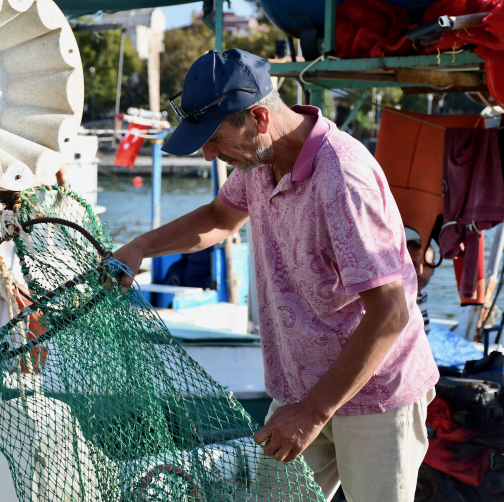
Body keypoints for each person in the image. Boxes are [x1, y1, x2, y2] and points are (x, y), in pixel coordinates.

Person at [113, 49, 439, 502]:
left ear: (260, 117)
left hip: (375, 392)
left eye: (213, 139)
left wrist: (314, 412)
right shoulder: (258, 164)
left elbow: (389, 313)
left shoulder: (342, 177)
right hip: (298, 386)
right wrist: (140, 247)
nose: (208, 155)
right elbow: (219, 217)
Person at [407, 239, 435, 334]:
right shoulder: (396, 301)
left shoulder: (422, 294)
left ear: (433, 269)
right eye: (412, 264)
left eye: (426, 265)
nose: (420, 272)